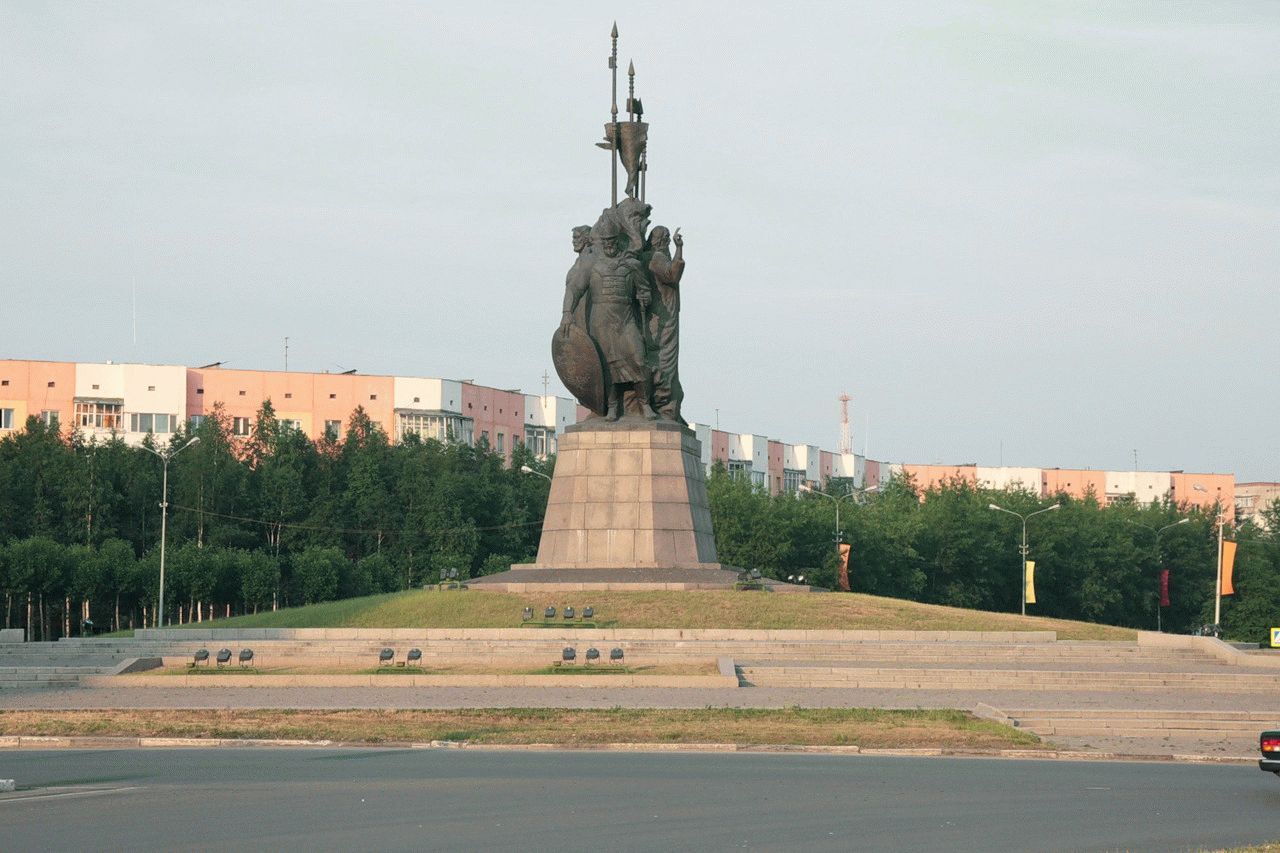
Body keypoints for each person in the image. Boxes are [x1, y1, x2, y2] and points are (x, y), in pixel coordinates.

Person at [560, 213, 657, 421]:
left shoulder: (631, 264)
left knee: (639, 359)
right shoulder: (592, 264)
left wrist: (644, 297)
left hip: (625, 320)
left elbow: (644, 290)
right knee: (607, 365)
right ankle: (612, 406)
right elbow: (575, 289)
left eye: (612, 240)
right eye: (605, 241)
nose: (609, 245)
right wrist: (567, 313)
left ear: (618, 240)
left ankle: (645, 404)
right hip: (601, 321)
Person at [646, 225, 685, 422]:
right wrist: (680, 249)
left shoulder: (656, 257)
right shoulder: (656, 258)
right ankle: (663, 407)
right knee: (663, 361)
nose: (669, 241)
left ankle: (668, 406)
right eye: (667, 238)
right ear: (659, 240)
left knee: (667, 362)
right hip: (661, 319)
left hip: (666, 316)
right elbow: (672, 274)